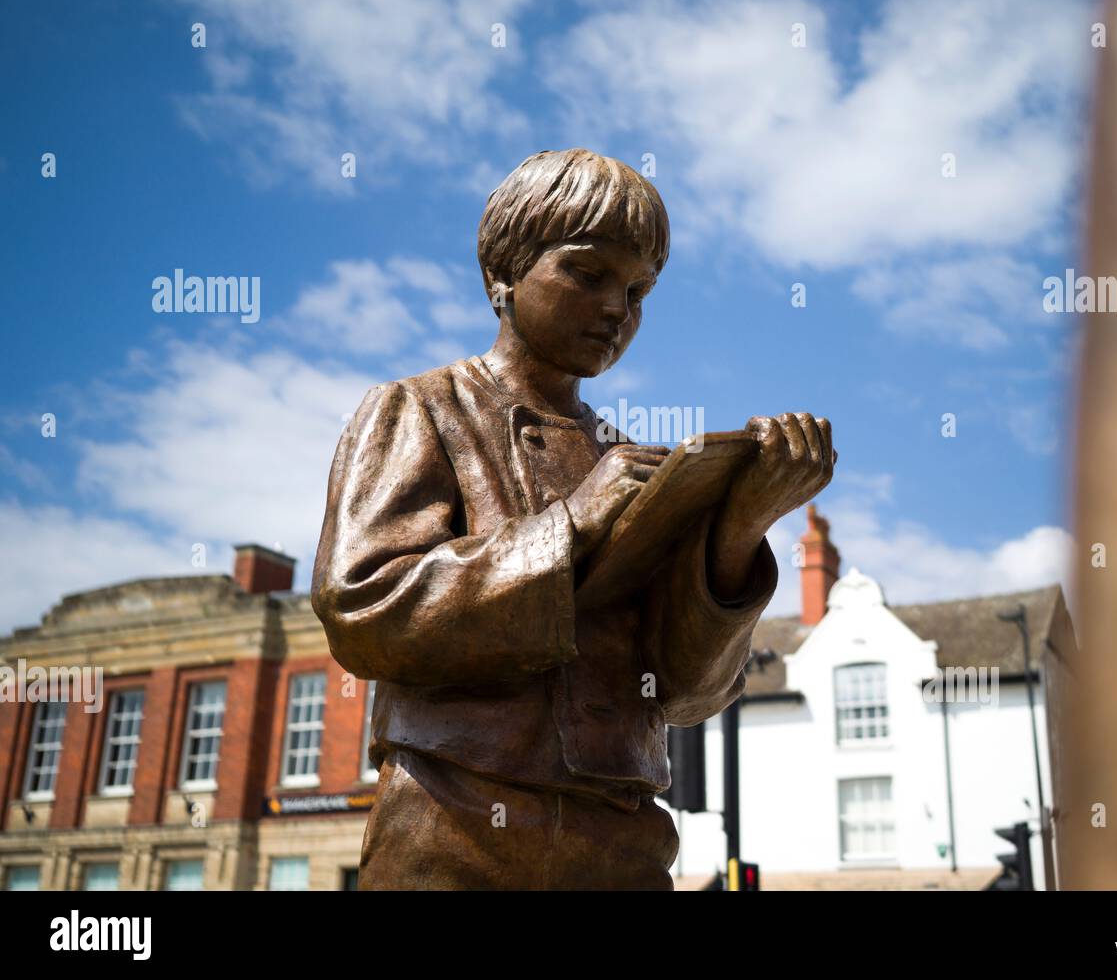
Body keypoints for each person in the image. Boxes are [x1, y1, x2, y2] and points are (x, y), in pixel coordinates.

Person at [311, 148, 834, 889]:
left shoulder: (632, 462)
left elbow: (686, 693)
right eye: (588, 274)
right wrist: (573, 522)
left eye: (638, 289)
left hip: (621, 841)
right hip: (455, 825)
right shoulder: (419, 408)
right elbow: (362, 604)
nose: (617, 308)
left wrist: (740, 532)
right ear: (504, 274)